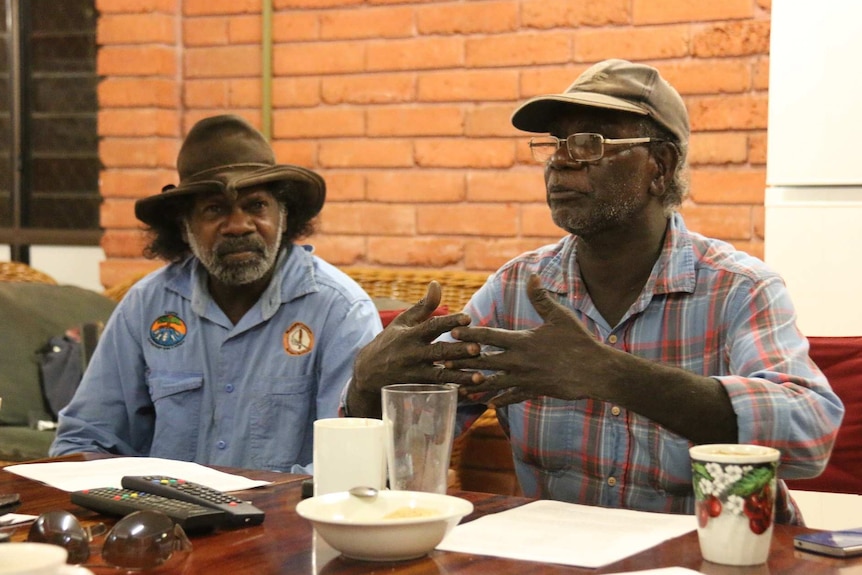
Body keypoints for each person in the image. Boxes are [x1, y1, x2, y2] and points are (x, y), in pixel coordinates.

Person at [345, 59, 844, 523]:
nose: (561, 163)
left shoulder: (739, 289)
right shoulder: (517, 289)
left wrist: (610, 374)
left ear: (660, 165)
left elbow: (810, 433)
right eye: (555, 144)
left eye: (589, 144)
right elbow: (413, 448)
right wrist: (368, 389)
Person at [51, 114, 382, 472]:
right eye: (215, 209)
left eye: (256, 206)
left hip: (286, 523)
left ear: (283, 215)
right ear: (184, 225)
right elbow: (83, 440)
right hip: (163, 521)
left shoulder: (340, 311)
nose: (238, 226)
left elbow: (348, 467)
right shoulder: (146, 306)